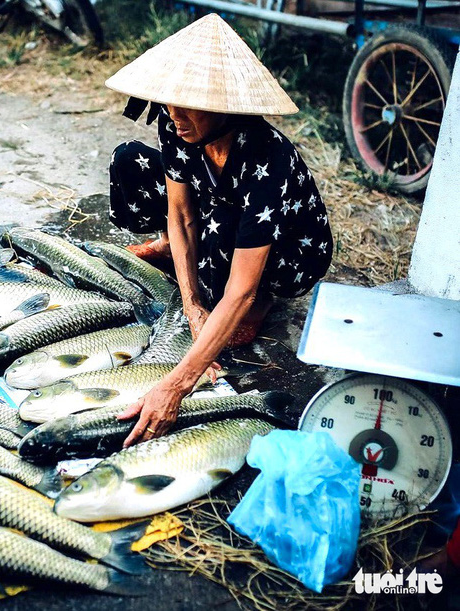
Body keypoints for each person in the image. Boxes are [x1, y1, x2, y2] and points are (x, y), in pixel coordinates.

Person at [103, 14, 333, 446]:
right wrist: (193, 311)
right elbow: (182, 212)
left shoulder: (269, 157)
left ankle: (263, 299)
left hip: (291, 253)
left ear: (226, 108)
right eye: (170, 102)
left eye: (189, 104)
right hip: (215, 213)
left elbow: (238, 287)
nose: (175, 115)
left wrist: (175, 385)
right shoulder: (175, 125)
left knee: (226, 237)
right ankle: (172, 252)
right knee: (130, 160)